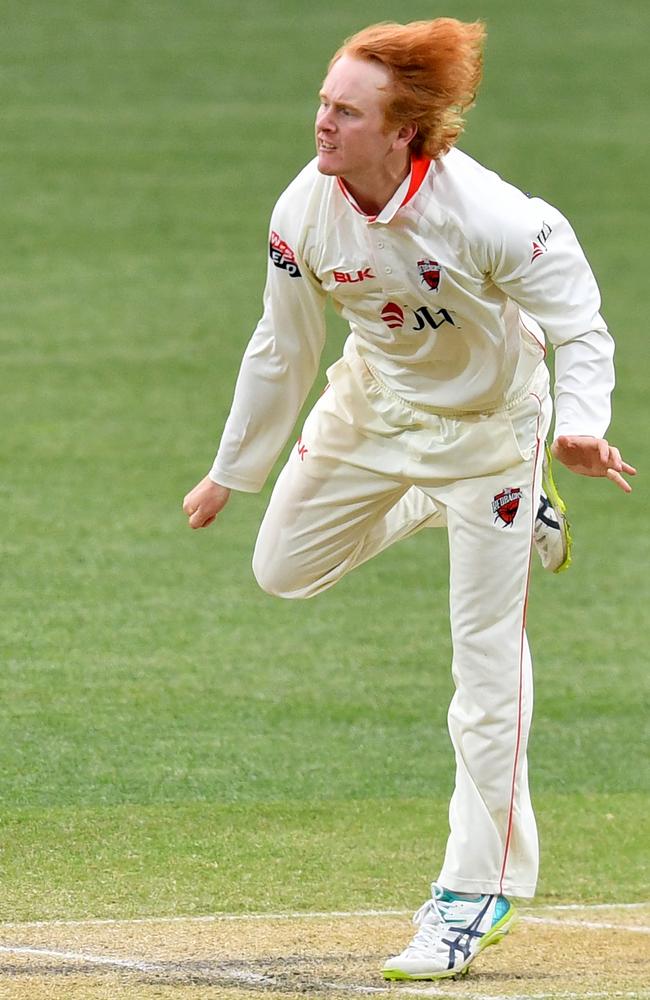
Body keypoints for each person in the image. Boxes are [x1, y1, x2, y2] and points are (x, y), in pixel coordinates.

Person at [183, 17, 635, 981]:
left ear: (404, 131)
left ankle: (478, 889)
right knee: (281, 567)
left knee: (484, 678)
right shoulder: (305, 208)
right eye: (322, 102)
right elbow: (282, 346)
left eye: (345, 112)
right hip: (372, 408)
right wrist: (232, 470)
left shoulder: (495, 217)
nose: (322, 123)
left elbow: (580, 324)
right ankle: (461, 505)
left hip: (490, 436)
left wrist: (579, 424)